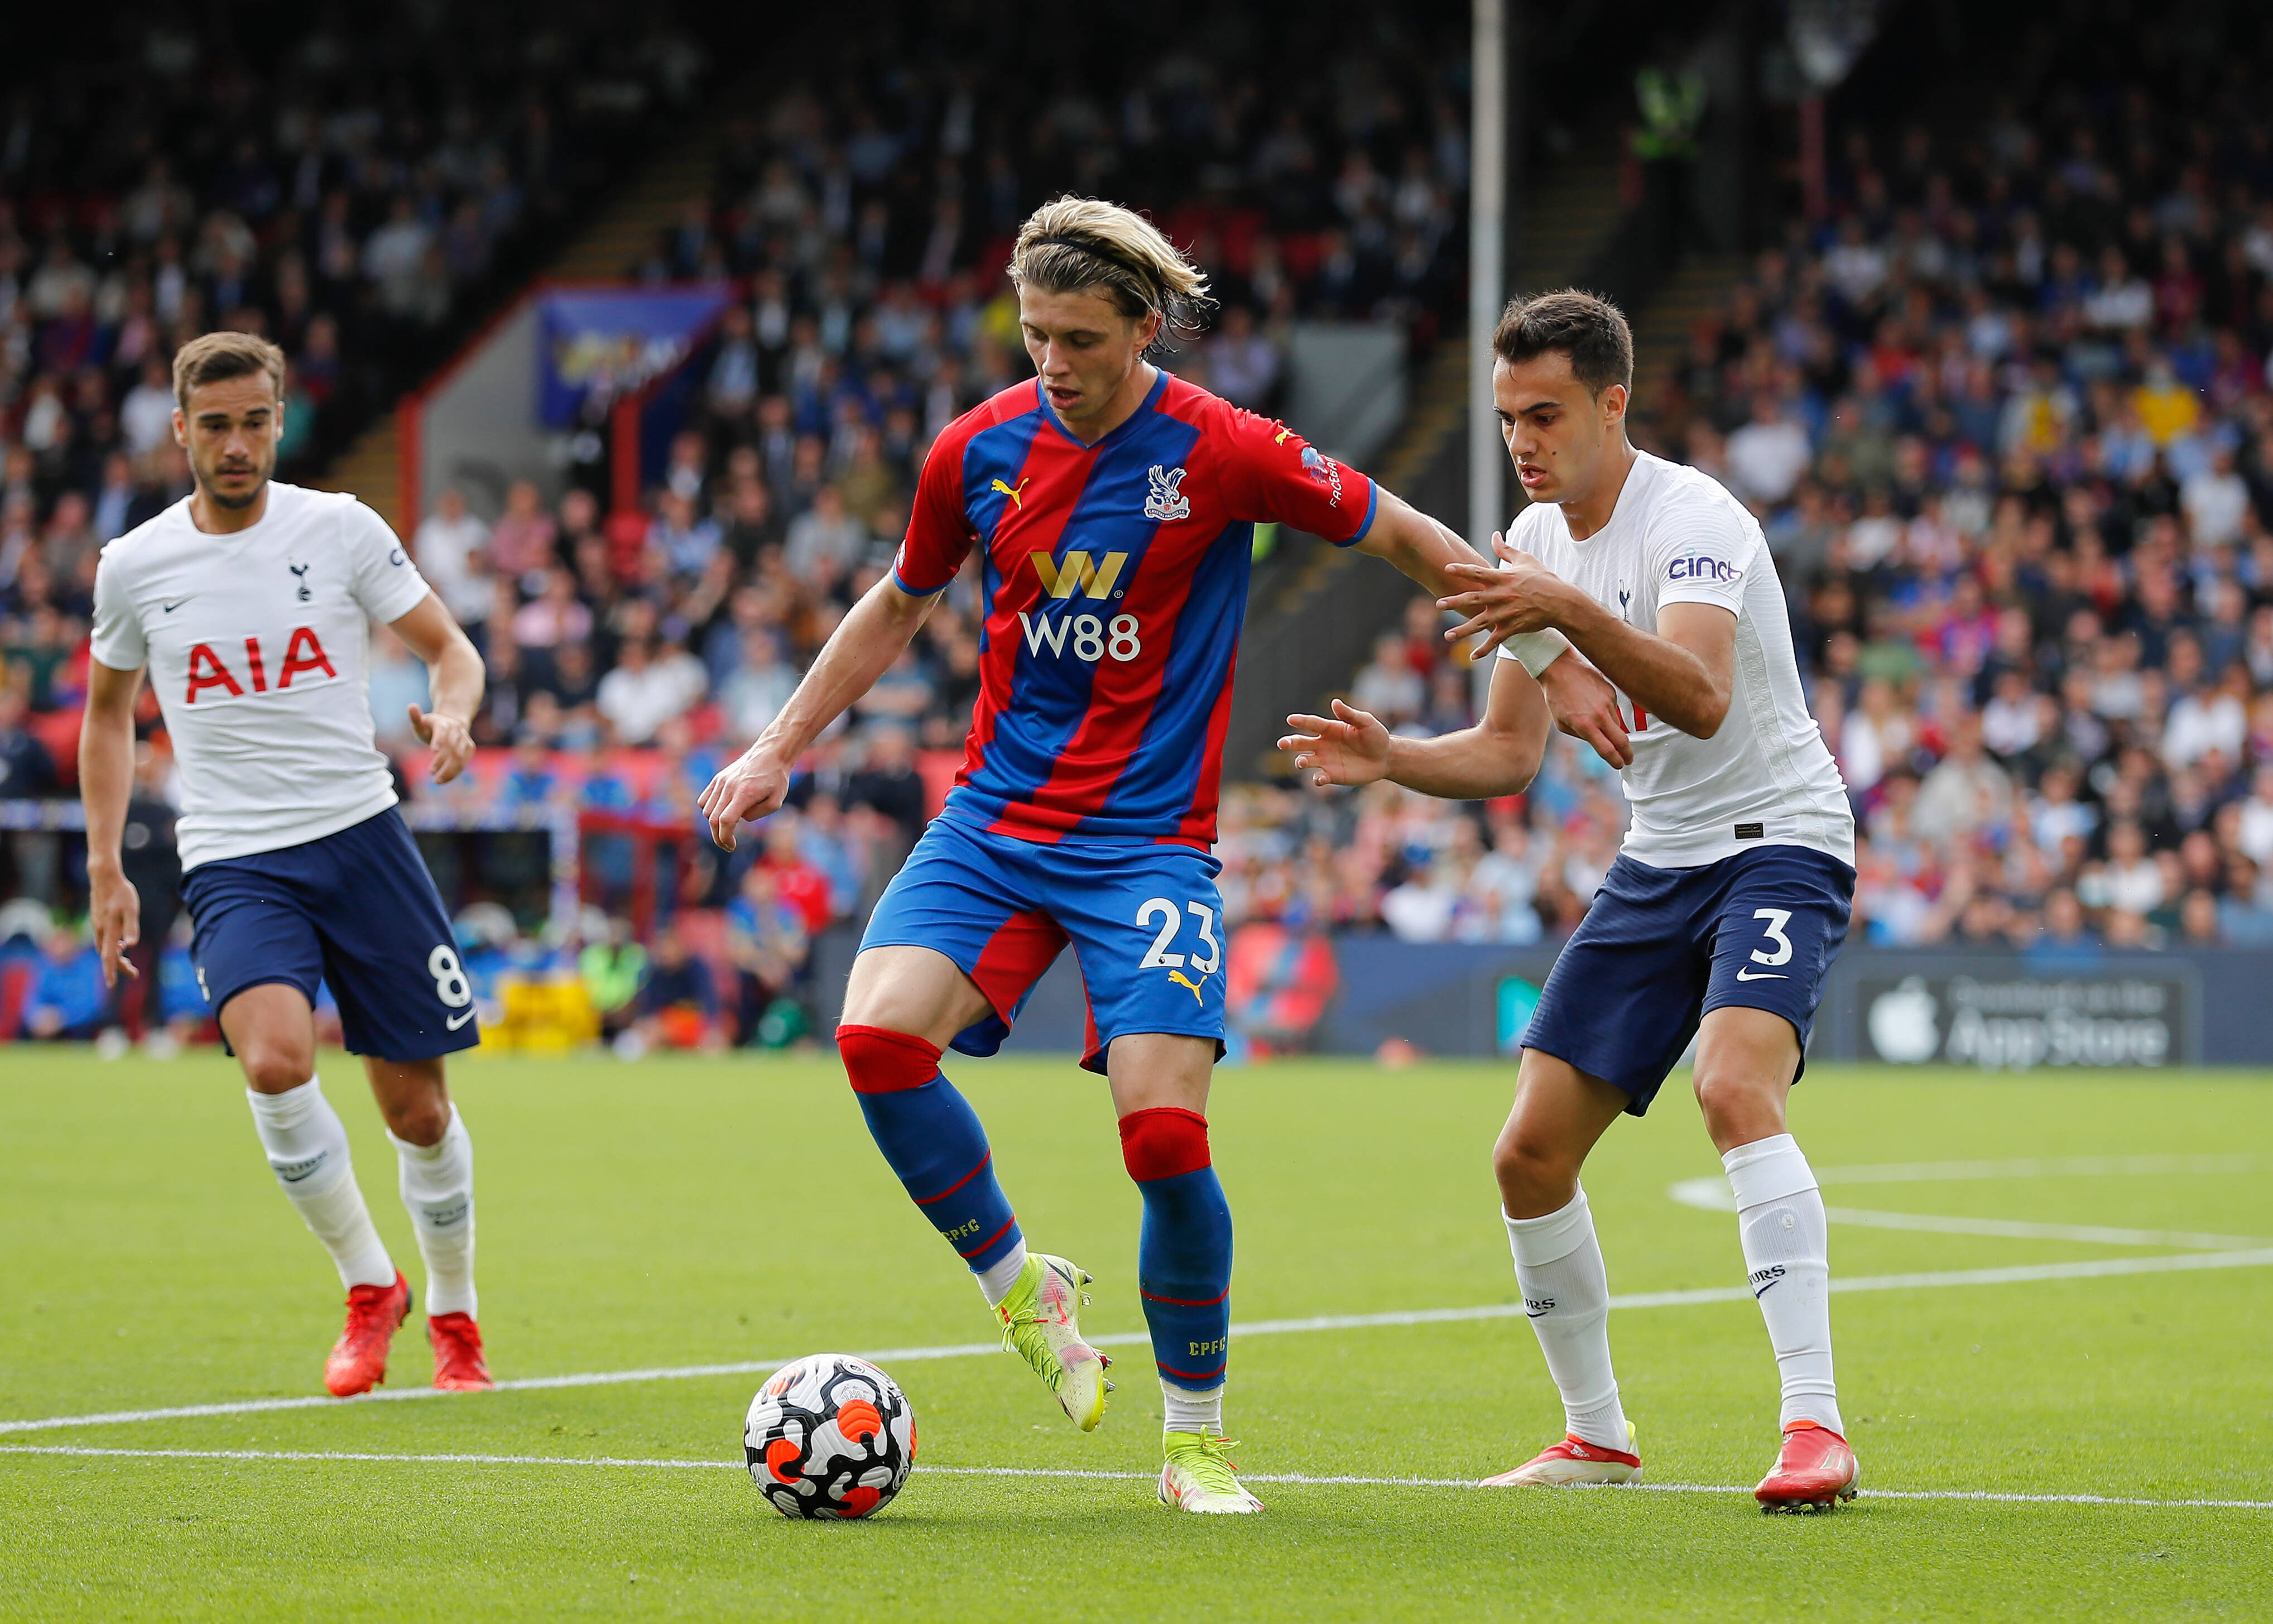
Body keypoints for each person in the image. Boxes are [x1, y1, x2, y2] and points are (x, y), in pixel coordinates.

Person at [699, 199, 1625, 1515]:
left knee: (1164, 1138)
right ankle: (1023, 1287)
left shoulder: (1224, 448)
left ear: (1146, 326)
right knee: (873, 1041)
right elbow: (899, 602)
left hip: (1145, 846)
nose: (1053, 362)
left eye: (1080, 337)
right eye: (1034, 335)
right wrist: (778, 742)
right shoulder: (975, 450)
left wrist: (1554, 659)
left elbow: (1414, 539)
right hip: (997, 824)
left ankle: (1196, 1442)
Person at [1281, 290, 1862, 1512]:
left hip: (1781, 841)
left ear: (1614, 403)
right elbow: (1507, 757)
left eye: (1545, 415)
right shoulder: (1534, 543)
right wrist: (1392, 760)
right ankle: (1596, 1436)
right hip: (1662, 858)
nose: (1525, 444)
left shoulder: (1695, 519)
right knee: (1528, 1156)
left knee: (1732, 1083)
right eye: (1505, 422)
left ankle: (1815, 1427)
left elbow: (1701, 698)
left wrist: (1565, 614)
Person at [80, 331, 494, 1399]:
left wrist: (451, 715)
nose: (235, 443)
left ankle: (456, 1317)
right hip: (233, 854)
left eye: (253, 421)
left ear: (278, 421)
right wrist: (105, 866)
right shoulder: (135, 566)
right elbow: (108, 715)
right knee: (271, 1060)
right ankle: (370, 1286)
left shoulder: (340, 527)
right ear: (181, 430)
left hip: (361, 838)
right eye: (213, 425)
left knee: (419, 1115)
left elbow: (454, 649)